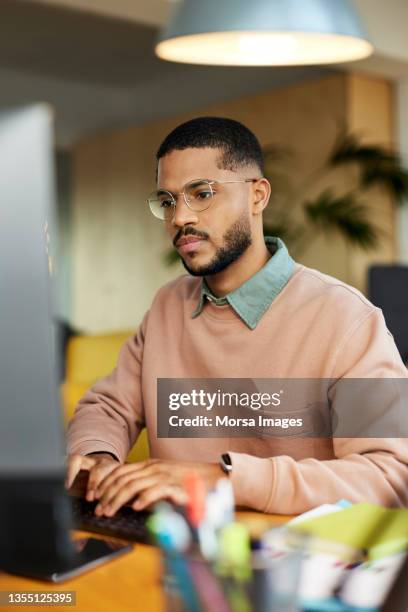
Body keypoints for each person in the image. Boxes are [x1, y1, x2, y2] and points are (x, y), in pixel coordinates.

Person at [66, 116, 408, 516]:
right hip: (175, 551)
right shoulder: (166, 307)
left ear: (257, 196)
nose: (179, 218)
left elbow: (391, 477)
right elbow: (107, 408)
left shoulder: (346, 317)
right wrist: (99, 459)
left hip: (290, 561)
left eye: (202, 193)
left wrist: (225, 479)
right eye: (168, 200)